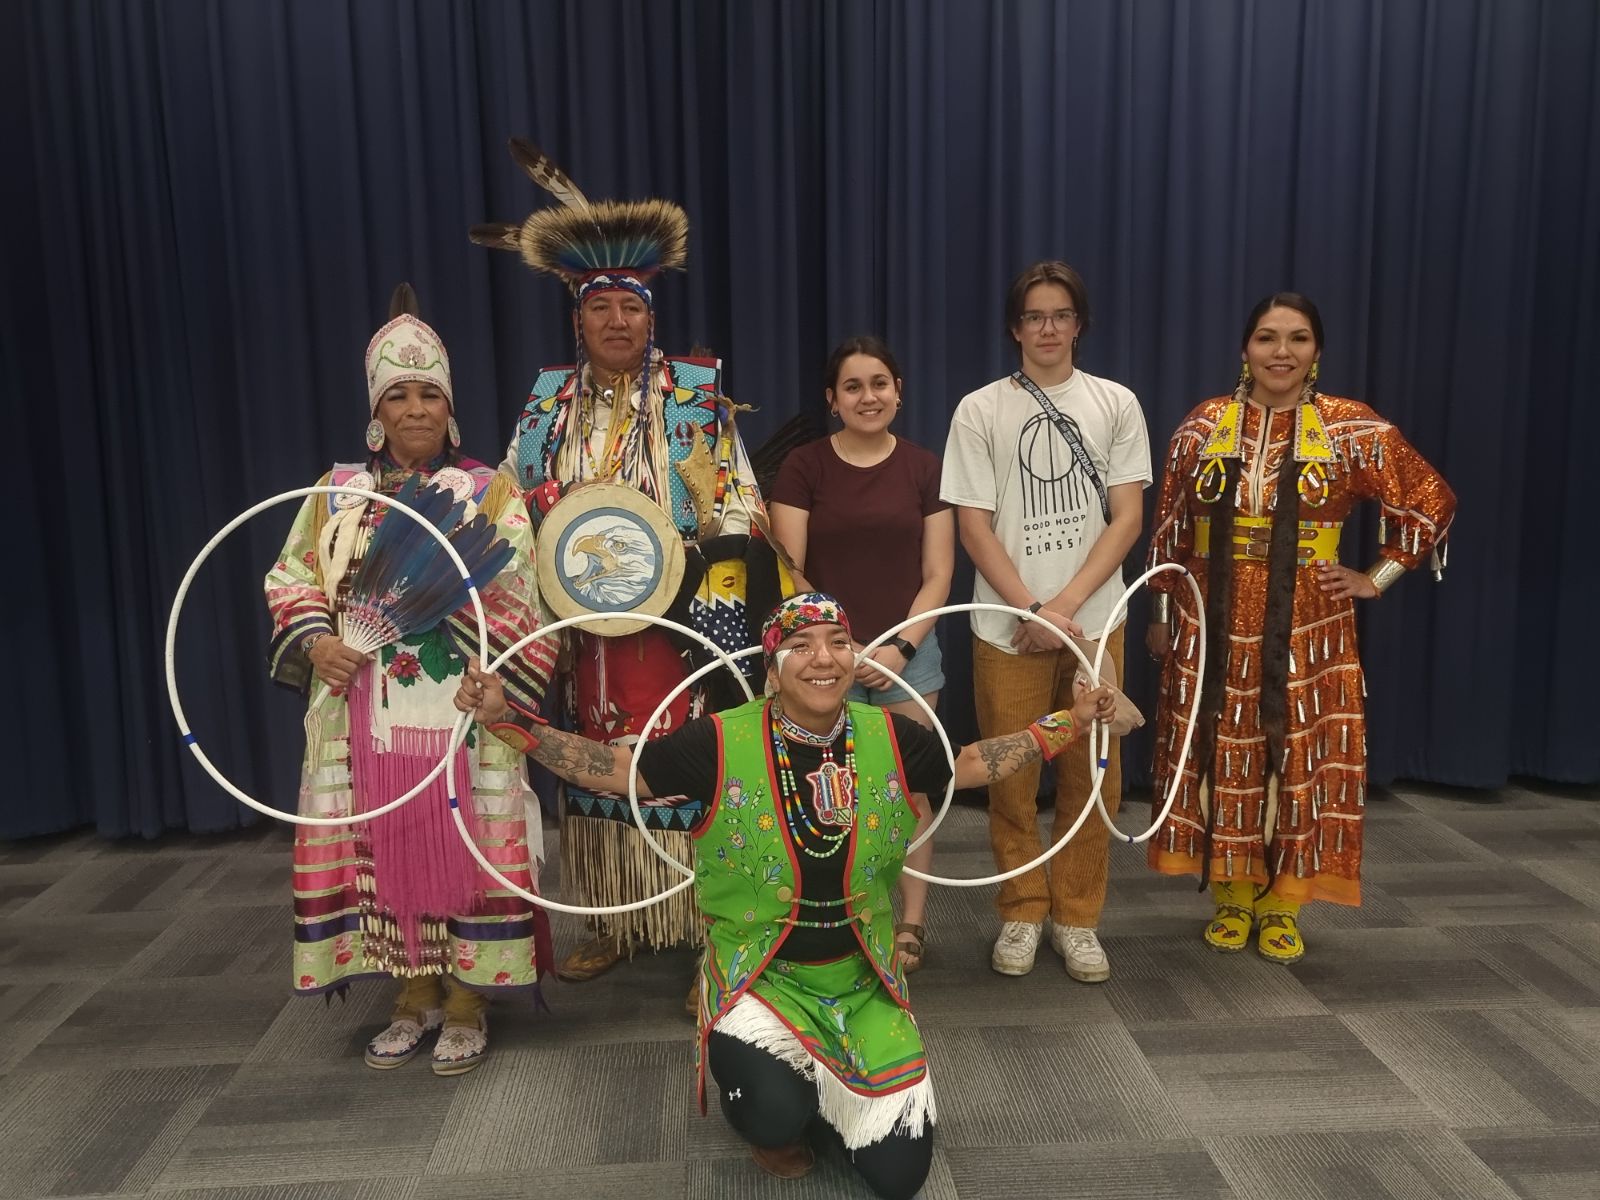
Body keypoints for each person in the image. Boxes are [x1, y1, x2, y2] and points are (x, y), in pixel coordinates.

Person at [457, 592, 1115, 1199]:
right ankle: (784, 1103)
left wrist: (1071, 721)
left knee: (899, 1176)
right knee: (773, 1117)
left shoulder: (890, 735)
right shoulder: (719, 740)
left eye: (836, 641)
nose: (823, 658)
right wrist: (507, 719)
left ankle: (836, 1087)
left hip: (864, 982)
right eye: (801, 645)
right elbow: (617, 769)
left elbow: (971, 762)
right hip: (761, 976)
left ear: (855, 657)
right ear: (772, 667)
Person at [472, 142, 777, 986]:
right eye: (600, 306)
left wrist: (708, 527)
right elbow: (506, 502)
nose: (616, 321)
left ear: (652, 318)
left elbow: (750, 503)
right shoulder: (545, 405)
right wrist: (540, 536)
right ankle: (616, 917)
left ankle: (708, 930)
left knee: (690, 762)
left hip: (681, 628)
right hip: (582, 630)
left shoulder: (695, 398)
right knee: (589, 759)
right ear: (579, 317)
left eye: (630, 309)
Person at [263, 286, 555, 1074]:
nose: (416, 408)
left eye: (430, 394)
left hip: (460, 712)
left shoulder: (490, 492)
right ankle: (411, 993)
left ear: (450, 408)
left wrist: (488, 667)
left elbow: (519, 593)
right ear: (376, 412)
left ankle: (467, 1000)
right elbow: (289, 574)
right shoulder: (337, 493)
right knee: (379, 844)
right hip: (360, 716)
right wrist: (319, 638)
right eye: (400, 395)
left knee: (466, 839)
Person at [1144, 292, 1455, 962]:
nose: (1280, 352)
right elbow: (1169, 525)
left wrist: (1379, 576)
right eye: (1266, 337)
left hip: (1310, 624)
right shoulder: (1204, 426)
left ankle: (1284, 903)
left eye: (1297, 338)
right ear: (1244, 349)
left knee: (1298, 753)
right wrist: (1164, 612)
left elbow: (1430, 498)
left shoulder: (1348, 428)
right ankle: (1231, 893)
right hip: (1211, 617)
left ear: (1317, 352)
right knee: (1223, 748)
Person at [941, 261, 1152, 983]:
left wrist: (1062, 611)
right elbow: (973, 526)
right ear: (1015, 327)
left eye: (1061, 315)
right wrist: (1028, 609)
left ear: (1080, 324)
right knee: (1010, 772)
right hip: (1008, 627)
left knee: (1094, 778)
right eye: (1035, 316)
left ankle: (1078, 917)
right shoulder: (979, 409)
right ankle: (1022, 910)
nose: (1049, 328)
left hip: (1095, 622)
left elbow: (1127, 518)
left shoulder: (1116, 403)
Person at [769, 336, 954, 973]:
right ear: (832, 399)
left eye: (879, 383)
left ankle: (909, 922)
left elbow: (939, 575)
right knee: (825, 792)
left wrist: (901, 648)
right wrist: (837, 649)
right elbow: (792, 574)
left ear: (898, 393)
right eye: (853, 386)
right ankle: (842, 912)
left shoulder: (927, 468)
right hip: (823, 657)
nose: (867, 396)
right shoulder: (803, 467)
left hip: (911, 651)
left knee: (910, 791)